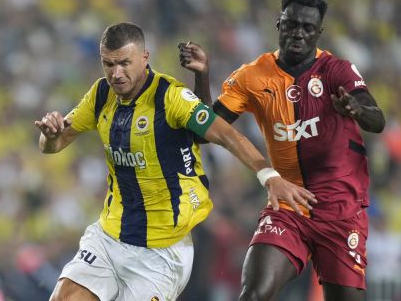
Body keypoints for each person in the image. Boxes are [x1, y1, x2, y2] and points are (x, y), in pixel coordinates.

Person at [34, 22, 316, 301]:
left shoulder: (170, 96)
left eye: (124, 63)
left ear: (145, 58)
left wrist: (269, 176)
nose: (116, 73)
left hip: (162, 253)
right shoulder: (100, 94)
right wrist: (50, 135)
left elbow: (227, 135)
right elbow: (53, 146)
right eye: (108, 64)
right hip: (109, 237)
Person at [179, 0, 385, 301]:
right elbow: (204, 131)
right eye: (291, 25)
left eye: (307, 28)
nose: (298, 33)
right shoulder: (252, 76)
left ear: (319, 32)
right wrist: (203, 76)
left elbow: (377, 120)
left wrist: (356, 110)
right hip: (288, 206)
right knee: (254, 294)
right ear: (279, 24)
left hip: (342, 211)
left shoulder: (336, 71)